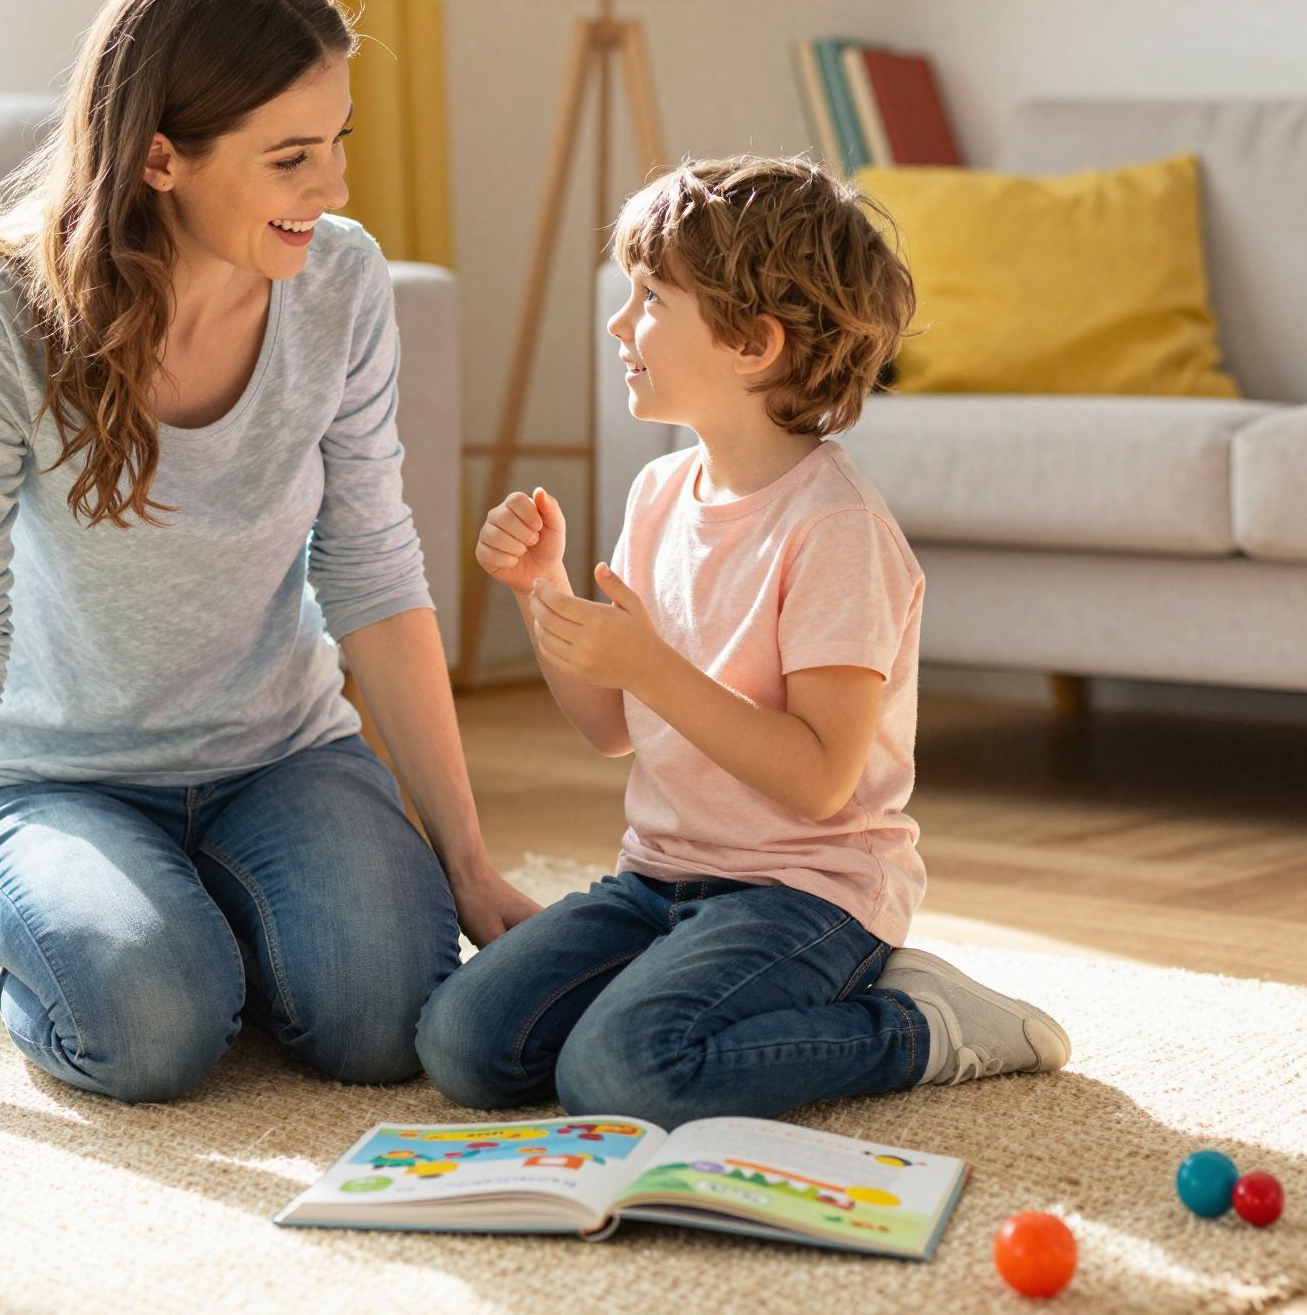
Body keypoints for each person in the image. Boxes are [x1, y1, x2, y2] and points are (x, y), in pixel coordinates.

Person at [0, 0, 538, 1119]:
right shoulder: (0, 315)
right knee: (150, 1033)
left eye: (336, 142)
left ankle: (195, 920)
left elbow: (370, 566)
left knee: (382, 1021)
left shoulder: (341, 285)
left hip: (279, 754)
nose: (335, 189)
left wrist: (469, 866)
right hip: (56, 781)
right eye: (291, 158)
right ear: (159, 156)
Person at [416, 155, 1070, 1129]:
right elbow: (610, 728)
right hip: (658, 877)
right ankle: (682, 994)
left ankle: (915, 1027)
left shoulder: (835, 527)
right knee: (463, 1043)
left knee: (622, 1076)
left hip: (805, 894)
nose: (618, 325)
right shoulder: (657, 492)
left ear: (753, 344)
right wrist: (540, 589)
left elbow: (819, 781)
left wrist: (647, 664)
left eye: (650, 299)